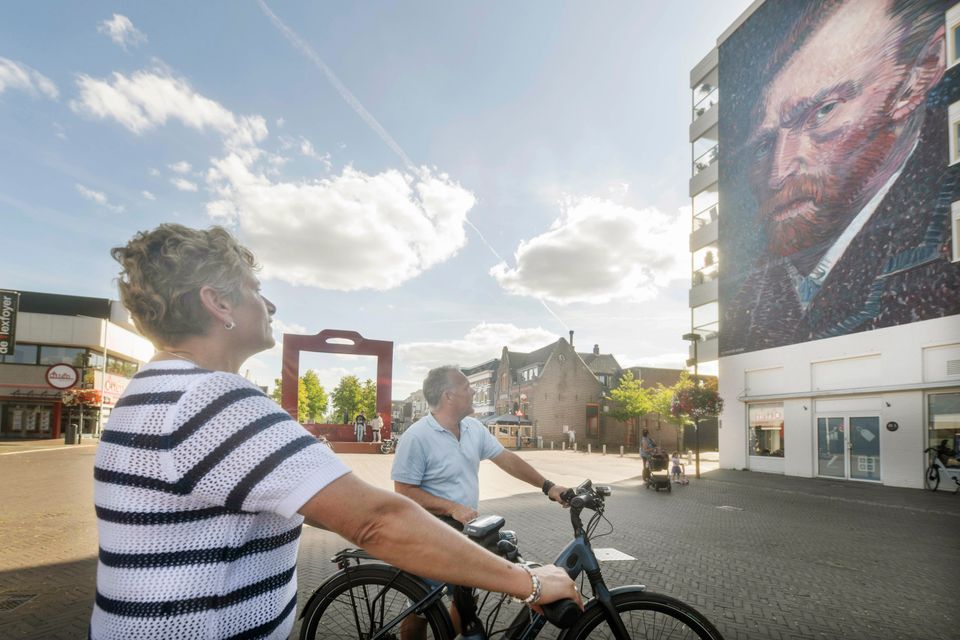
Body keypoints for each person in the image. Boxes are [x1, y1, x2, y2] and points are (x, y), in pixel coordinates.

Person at [91, 224, 580, 640]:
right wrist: (527, 582)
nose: (271, 303)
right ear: (218, 303)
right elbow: (378, 519)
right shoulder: (213, 401)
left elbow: (326, 506)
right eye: (255, 288)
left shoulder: (154, 393)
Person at [723, 0, 960, 355]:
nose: (777, 173)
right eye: (763, 145)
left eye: (823, 112)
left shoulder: (940, 247)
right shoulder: (755, 287)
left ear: (916, 79)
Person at [392, 365, 570, 638]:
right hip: (426, 536)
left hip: (463, 535)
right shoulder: (416, 437)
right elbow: (403, 490)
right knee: (420, 607)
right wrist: (451, 507)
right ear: (449, 396)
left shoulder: (473, 428)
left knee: (465, 601)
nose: (473, 390)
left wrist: (548, 486)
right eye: (466, 387)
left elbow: (507, 459)